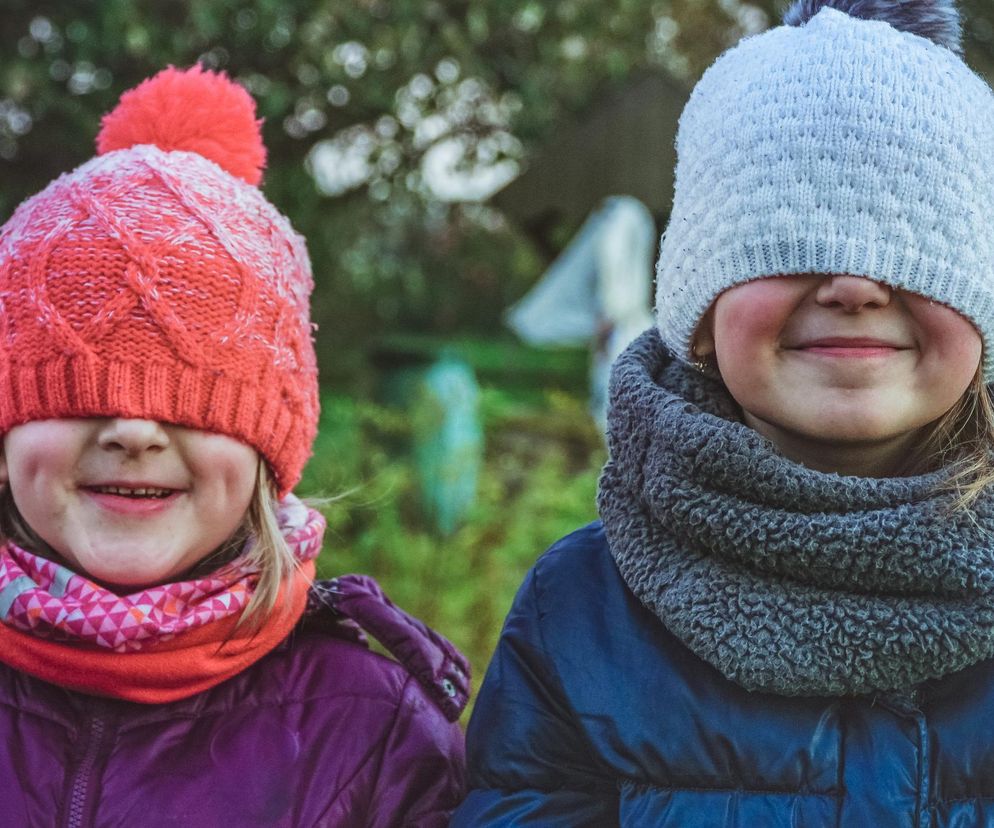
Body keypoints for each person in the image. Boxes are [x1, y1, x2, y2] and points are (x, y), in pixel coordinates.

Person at [451, 0, 994, 824]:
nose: (854, 285)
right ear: (698, 305)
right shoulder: (580, 612)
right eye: (789, 237)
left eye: (915, 239)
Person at [0, 65, 468, 826]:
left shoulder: (375, 735)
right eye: (77, 391)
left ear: (269, 451)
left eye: (191, 399)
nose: (132, 431)